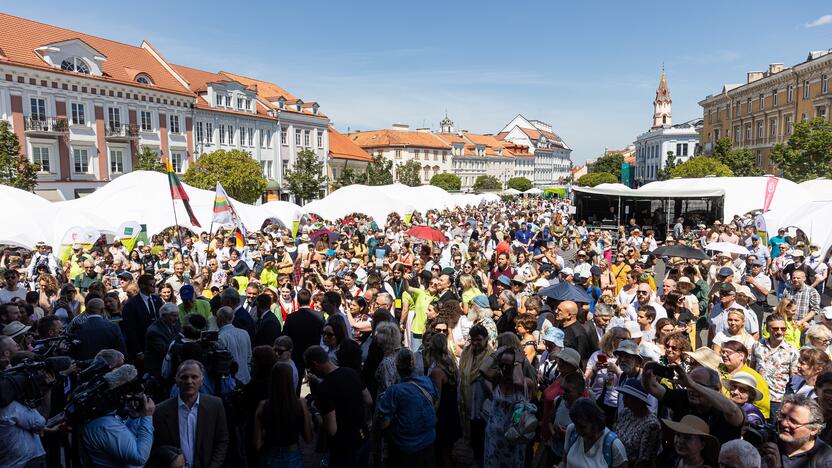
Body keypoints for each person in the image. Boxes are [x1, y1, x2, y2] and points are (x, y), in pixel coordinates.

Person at [642, 362, 744, 444]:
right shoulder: (683, 397)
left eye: (698, 385)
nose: (690, 389)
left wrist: (693, 384)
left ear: (715, 389)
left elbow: (734, 411)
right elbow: (653, 388)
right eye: (688, 383)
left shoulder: (723, 408)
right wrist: (648, 370)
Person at [152, 360, 230, 468]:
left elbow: (222, 441)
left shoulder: (215, 405)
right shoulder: (160, 411)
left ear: (202, 380)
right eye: (184, 377)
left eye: (194, 377)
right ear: (176, 381)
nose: (189, 381)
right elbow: (157, 447)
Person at [304, 345, 372, 468]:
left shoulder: (325, 389)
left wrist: (316, 412)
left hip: (344, 448)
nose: (310, 371)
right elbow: (368, 399)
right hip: (363, 437)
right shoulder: (351, 372)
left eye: (310, 368)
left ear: (315, 364)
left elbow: (331, 429)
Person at [375, 348, 438, 467]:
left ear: (397, 367)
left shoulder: (394, 391)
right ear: (413, 366)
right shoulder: (427, 381)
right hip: (429, 442)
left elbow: (383, 423)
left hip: (406, 447)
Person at [82, 368, 156, 467]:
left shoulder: (106, 420)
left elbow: (126, 440)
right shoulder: (106, 426)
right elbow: (140, 458)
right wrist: (147, 417)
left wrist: (133, 418)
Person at [253, 362, 313, 468]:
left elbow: (257, 445)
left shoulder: (263, 406)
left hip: (270, 455)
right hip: (293, 455)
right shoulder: (300, 404)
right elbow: (308, 438)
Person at [484, 347, 535, 468]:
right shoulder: (498, 378)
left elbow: (517, 381)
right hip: (494, 436)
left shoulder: (526, 383)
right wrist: (496, 354)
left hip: (513, 439)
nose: (504, 369)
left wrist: (518, 362)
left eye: (509, 366)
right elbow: (482, 370)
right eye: (502, 365)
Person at [760, 394, 832, 467]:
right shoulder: (767, 440)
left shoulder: (825, 461)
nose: (784, 423)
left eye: (793, 421)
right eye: (782, 416)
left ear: (814, 429)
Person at [423, 333, 461, 468]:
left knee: (441, 452)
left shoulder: (437, 371)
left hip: (442, 415)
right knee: (448, 450)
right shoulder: (451, 363)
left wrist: (431, 417)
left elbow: (436, 397)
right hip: (452, 410)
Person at [752, 313, 799, 422]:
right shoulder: (757, 345)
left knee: (775, 431)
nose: (779, 332)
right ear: (768, 329)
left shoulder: (792, 351)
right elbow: (752, 368)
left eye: (783, 329)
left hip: (777, 400)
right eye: (775, 328)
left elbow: (794, 379)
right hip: (757, 396)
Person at [458, 324, 493, 468]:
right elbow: (462, 372)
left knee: (481, 432)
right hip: (467, 397)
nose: (476, 343)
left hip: (482, 400)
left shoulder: (491, 356)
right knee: (472, 431)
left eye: (479, 340)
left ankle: (481, 460)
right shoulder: (467, 352)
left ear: (486, 339)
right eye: (473, 340)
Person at [561, 398, 628, 468]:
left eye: (582, 426)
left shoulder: (614, 446)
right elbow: (564, 461)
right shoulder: (572, 431)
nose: (577, 430)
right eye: (575, 425)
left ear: (595, 422)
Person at [282, 289, 324, 393]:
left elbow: (285, 337)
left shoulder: (291, 317)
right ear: (310, 301)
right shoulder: (319, 316)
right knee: (315, 384)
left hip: (297, 354)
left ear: (298, 301)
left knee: (296, 384)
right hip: (313, 353)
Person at [615, 378, 660, 467]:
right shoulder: (626, 412)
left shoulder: (651, 425)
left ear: (639, 400)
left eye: (628, 397)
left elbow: (643, 461)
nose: (624, 400)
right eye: (624, 396)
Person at [122, 274, 164, 359]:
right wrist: (138, 350)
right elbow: (130, 329)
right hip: (142, 345)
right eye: (151, 285)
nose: (154, 287)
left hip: (159, 344)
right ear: (142, 286)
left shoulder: (157, 300)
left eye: (154, 285)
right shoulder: (131, 304)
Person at [145, 303, 180, 382]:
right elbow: (164, 349)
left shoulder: (174, 323)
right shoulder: (154, 331)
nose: (176, 318)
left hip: (170, 365)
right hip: (158, 368)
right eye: (174, 316)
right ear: (163, 316)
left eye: (177, 315)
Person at [217, 306, 252, 385]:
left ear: (219, 319)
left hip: (231, 383)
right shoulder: (244, 333)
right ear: (233, 318)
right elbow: (249, 356)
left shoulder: (221, 338)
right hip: (246, 378)